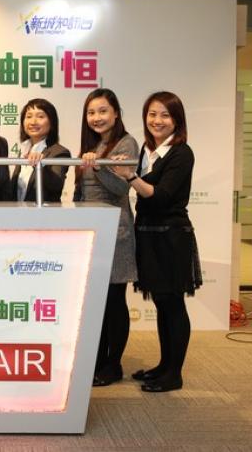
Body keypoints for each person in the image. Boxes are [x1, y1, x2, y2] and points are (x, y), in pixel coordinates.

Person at [112, 90, 203, 392]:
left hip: (172, 238)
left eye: (165, 115)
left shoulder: (181, 153)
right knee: (163, 305)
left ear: (177, 119)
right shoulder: (148, 152)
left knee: (173, 305)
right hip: (148, 235)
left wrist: (130, 178)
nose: (157, 120)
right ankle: (164, 366)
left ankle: (173, 374)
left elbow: (161, 195)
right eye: (152, 114)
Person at [74, 88, 139, 387]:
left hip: (116, 233)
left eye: (102, 111)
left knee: (114, 301)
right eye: (91, 112)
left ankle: (113, 364)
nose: (97, 117)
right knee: (93, 303)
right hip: (90, 233)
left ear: (116, 113)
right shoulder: (93, 144)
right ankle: (97, 360)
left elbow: (121, 188)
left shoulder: (126, 142)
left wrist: (97, 167)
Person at [10, 98, 70, 203]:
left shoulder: (60, 152)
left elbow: (56, 186)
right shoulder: (23, 150)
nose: (33, 122)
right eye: (28, 117)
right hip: (18, 213)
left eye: (40, 116)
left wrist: (39, 166)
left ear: (52, 122)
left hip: (43, 216)